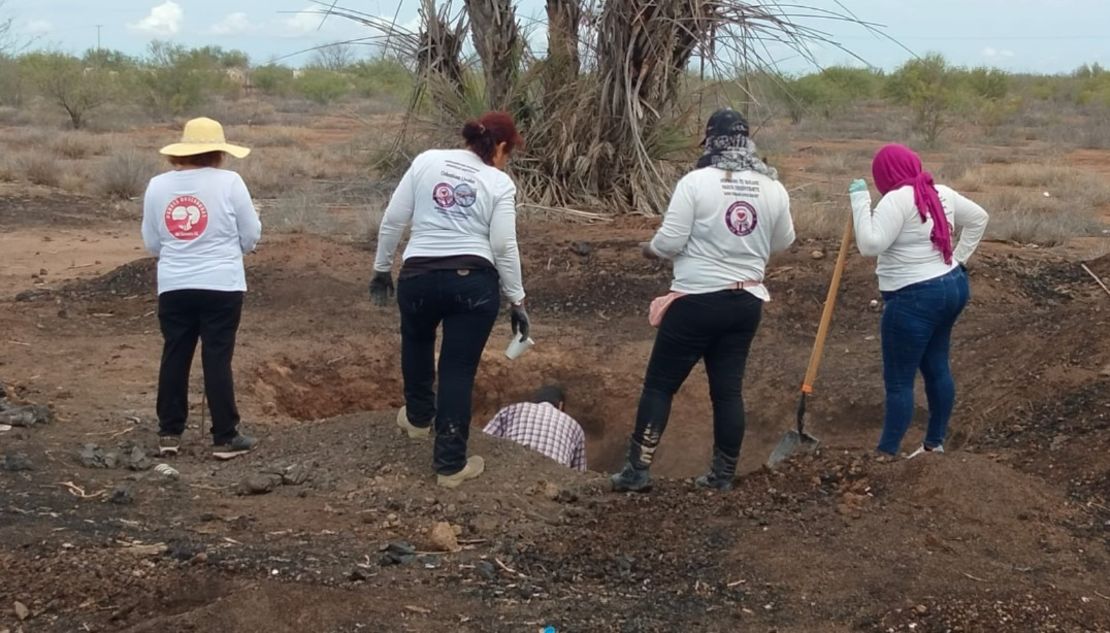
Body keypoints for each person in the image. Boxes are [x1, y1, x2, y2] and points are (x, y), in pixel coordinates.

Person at [611, 108, 795, 493]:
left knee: (660, 386)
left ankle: (637, 470)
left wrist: (651, 249)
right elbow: (783, 242)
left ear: (711, 141)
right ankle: (721, 475)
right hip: (746, 301)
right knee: (727, 390)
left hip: (696, 300)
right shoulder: (772, 186)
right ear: (747, 142)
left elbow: (671, 241)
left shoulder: (696, 182)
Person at [371, 111, 530, 489]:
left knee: (417, 341)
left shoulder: (426, 161)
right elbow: (504, 245)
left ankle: (418, 418)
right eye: (509, 152)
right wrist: (517, 300)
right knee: (458, 369)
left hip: (417, 277)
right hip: (472, 284)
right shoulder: (498, 182)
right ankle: (449, 465)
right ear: (502, 147)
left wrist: (381, 269)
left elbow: (394, 219)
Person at [849, 144, 988, 459]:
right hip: (952, 286)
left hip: (913, 299)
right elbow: (980, 217)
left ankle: (886, 454)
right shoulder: (940, 192)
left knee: (899, 381)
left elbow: (870, 245)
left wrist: (859, 201)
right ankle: (934, 443)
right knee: (937, 366)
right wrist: (959, 259)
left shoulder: (895, 201)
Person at [142, 117, 262, 458]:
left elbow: (152, 242)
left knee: (175, 353)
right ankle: (225, 435)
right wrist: (230, 250)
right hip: (222, 284)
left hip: (175, 284)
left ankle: (169, 432)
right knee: (217, 356)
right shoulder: (230, 182)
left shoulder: (157, 186)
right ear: (218, 152)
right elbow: (251, 234)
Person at [483, 385, 587, 471]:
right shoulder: (576, 428)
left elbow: (482, 441)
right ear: (560, 405)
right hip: (553, 484)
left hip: (510, 472)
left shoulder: (513, 409)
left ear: (534, 402)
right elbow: (580, 475)